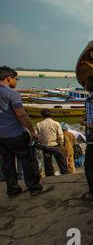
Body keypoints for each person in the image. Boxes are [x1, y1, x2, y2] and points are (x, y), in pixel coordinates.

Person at [0, 66, 53, 196]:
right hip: (16, 134)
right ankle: (34, 187)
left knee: (7, 163)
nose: (16, 81)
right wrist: (33, 132)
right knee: (28, 161)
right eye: (15, 79)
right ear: (9, 78)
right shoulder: (11, 93)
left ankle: (13, 189)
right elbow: (21, 115)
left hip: (1, 137)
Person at [35, 110, 69, 177]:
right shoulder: (56, 123)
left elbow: (35, 135)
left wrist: (40, 142)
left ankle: (50, 177)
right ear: (50, 115)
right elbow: (60, 135)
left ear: (42, 116)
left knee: (48, 165)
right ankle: (66, 175)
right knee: (62, 163)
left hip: (45, 146)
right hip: (55, 146)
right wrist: (61, 144)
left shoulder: (38, 124)